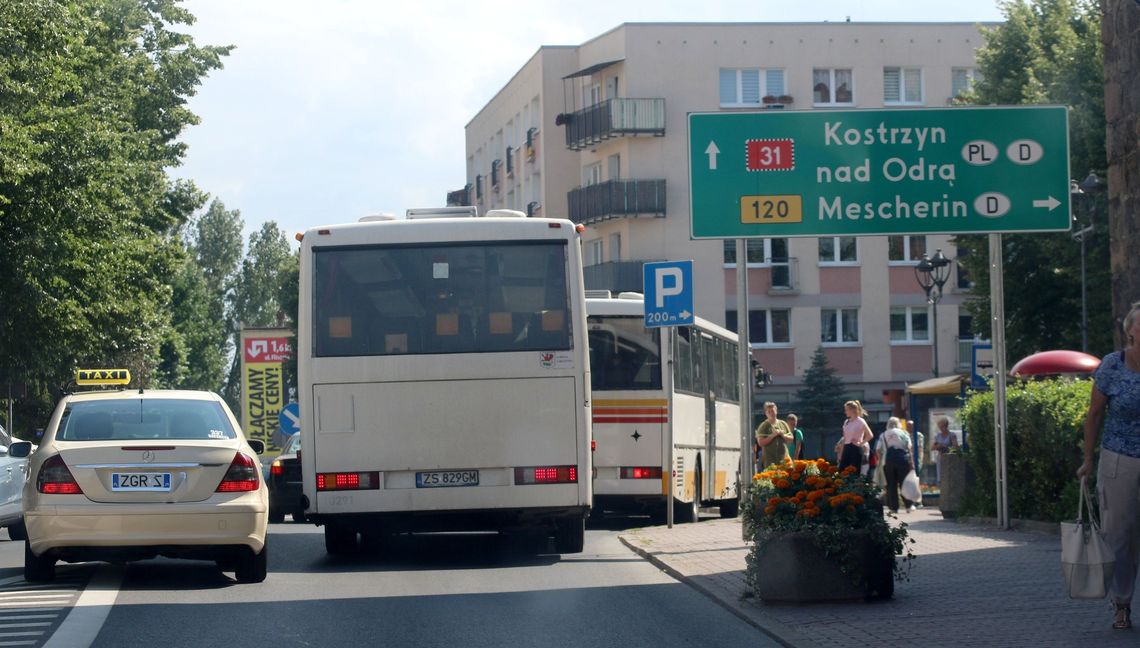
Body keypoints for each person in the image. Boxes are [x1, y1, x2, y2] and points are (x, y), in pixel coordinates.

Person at [1078, 300, 1140, 631]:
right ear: (1130, 330)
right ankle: (1122, 605)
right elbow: (1094, 414)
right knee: (1122, 535)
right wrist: (1088, 459)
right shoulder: (1112, 366)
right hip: (1120, 458)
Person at [876, 417, 914, 514]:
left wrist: (880, 460)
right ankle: (908, 506)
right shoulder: (904, 433)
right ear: (898, 424)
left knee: (891, 484)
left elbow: (878, 450)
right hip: (902, 460)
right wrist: (911, 461)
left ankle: (893, 507)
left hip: (888, 461)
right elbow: (909, 447)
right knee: (904, 483)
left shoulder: (883, 434)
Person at [754, 402, 793, 471]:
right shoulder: (763, 426)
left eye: (772, 410)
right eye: (769, 412)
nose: (771, 413)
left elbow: (791, 439)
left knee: (787, 480)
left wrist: (783, 435)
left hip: (785, 461)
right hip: (770, 462)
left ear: (776, 411)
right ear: (766, 414)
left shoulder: (783, 423)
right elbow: (760, 443)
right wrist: (772, 436)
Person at [838, 400, 873, 474]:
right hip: (846, 448)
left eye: (846, 410)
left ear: (852, 410)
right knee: (842, 471)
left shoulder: (861, 421)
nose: (845, 412)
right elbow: (845, 438)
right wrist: (841, 454)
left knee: (854, 473)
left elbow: (870, 435)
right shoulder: (846, 422)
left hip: (856, 449)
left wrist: (861, 443)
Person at [931, 417, 959, 485]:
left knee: (949, 476)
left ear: (946, 426)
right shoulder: (938, 436)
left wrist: (945, 447)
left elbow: (956, 447)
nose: (941, 429)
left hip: (949, 458)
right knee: (941, 476)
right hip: (941, 458)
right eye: (940, 427)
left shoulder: (952, 435)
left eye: (942, 427)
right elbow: (932, 448)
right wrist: (937, 446)